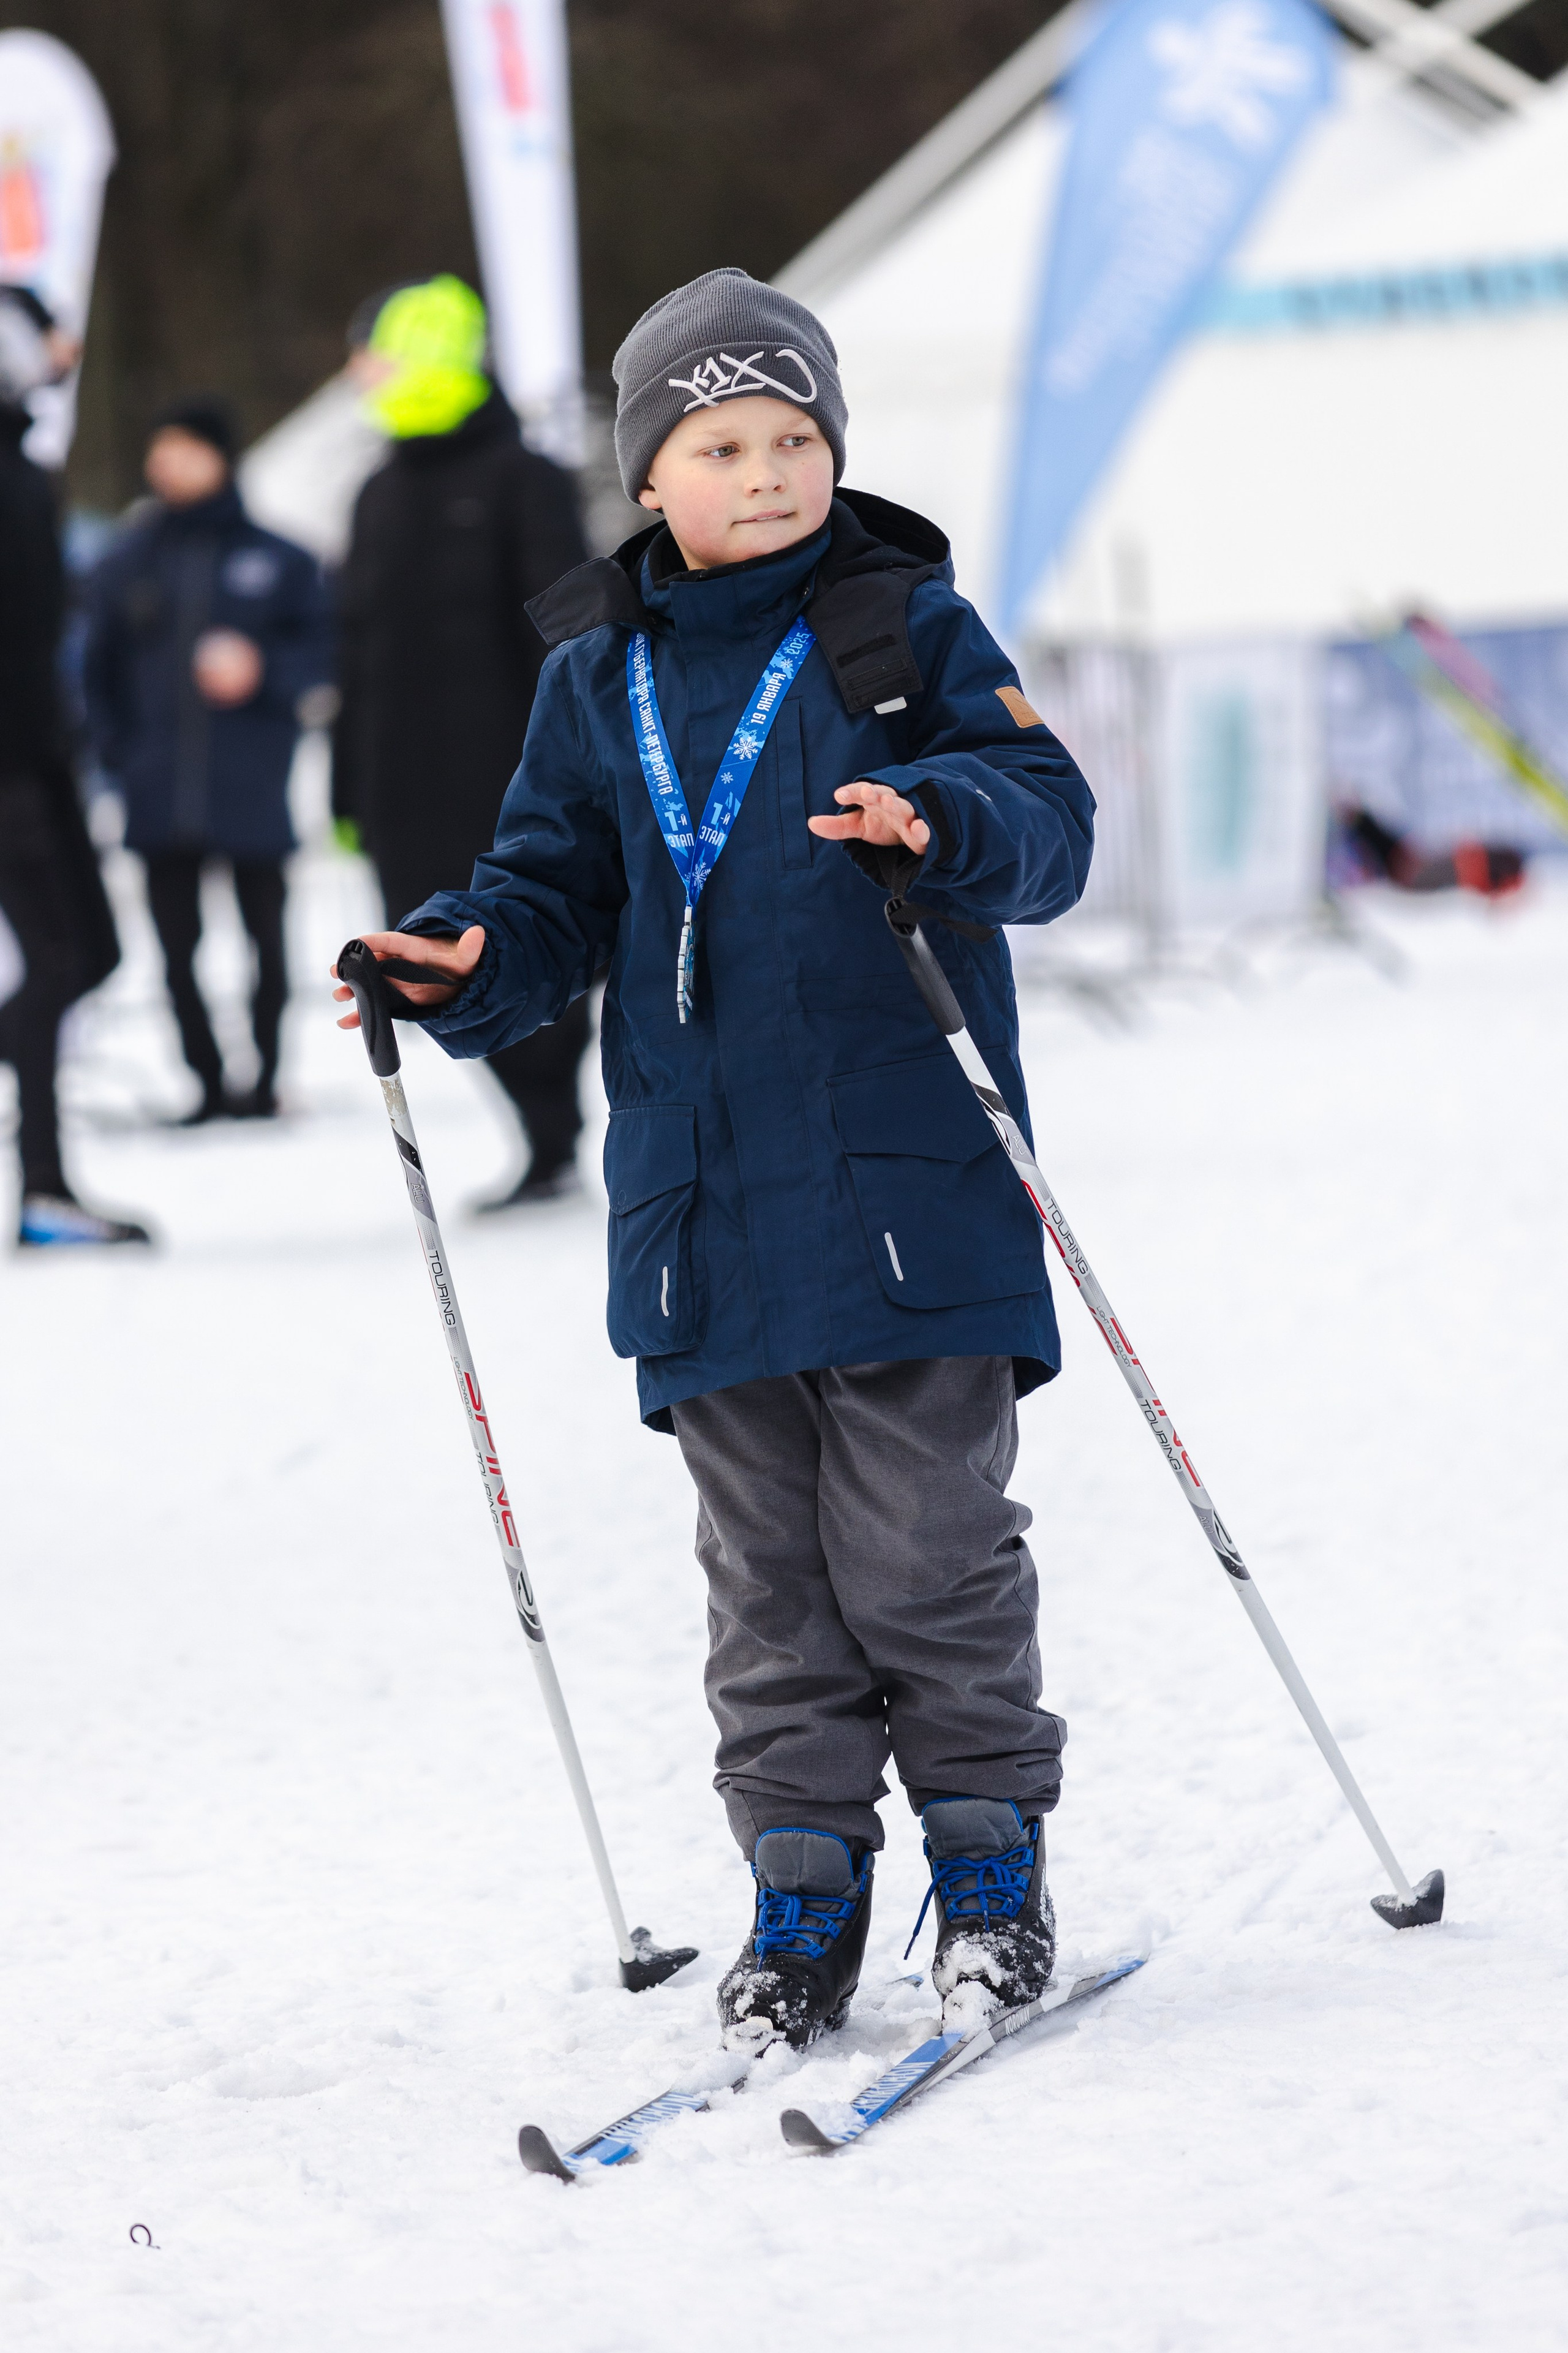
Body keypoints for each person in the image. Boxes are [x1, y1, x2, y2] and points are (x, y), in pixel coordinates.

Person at [333, 268, 1095, 2049]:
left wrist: (943, 818)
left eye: (796, 436)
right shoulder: (596, 676)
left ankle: (987, 1858)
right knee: (766, 1586)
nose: (765, 471)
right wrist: (462, 952)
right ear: (648, 477)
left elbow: (1045, 819)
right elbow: (548, 886)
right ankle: (803, 1873)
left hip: (908, 1177)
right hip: (700, 1207)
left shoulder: (903, 631)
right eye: (722, 441)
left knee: (927, 1552)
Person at [333, 276, 592, 1207]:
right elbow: (354, 651)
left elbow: (567, 636)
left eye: (375, 353)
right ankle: (541, 1128)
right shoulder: (375, 492)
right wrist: (344, 788)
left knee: (520, 937)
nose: (361, 374)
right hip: (400, 782)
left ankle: (556, 1130)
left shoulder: (526, 479)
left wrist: (572, 765)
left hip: (508, 773)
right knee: (424, 955)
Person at [83, 398, 332, 1121]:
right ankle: (205, 1081)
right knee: (175, 951)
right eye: (160, 451)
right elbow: (94, 673)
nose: (169, 465)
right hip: (156, 794)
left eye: (186, 449)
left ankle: (265, 1079)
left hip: (252, 788)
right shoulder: (124, 562)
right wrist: (121, 758)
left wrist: (263, 671)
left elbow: (322, 656)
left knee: (267, 945)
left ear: (220, 456)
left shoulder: (279, 558)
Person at [0, 285, 149, 1247]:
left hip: (39, 757)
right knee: (62, 954)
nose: (68, 346)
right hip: (11, 764)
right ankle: (45, 1187)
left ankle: (47, 1184)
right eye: (48, 329)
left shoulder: (21, 463)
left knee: (90, 950)